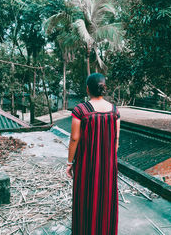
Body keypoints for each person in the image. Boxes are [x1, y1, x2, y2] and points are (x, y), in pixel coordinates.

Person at [66, 73, 121, 235]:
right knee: (105, 199)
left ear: (88, 89)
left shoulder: (80, 110)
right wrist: (109, 159)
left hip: (86, 164)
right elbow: (116, 140)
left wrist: (70, 163)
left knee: (85, 198)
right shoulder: (114, 110)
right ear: (103, 88)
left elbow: (75, 139)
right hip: (108, 165)